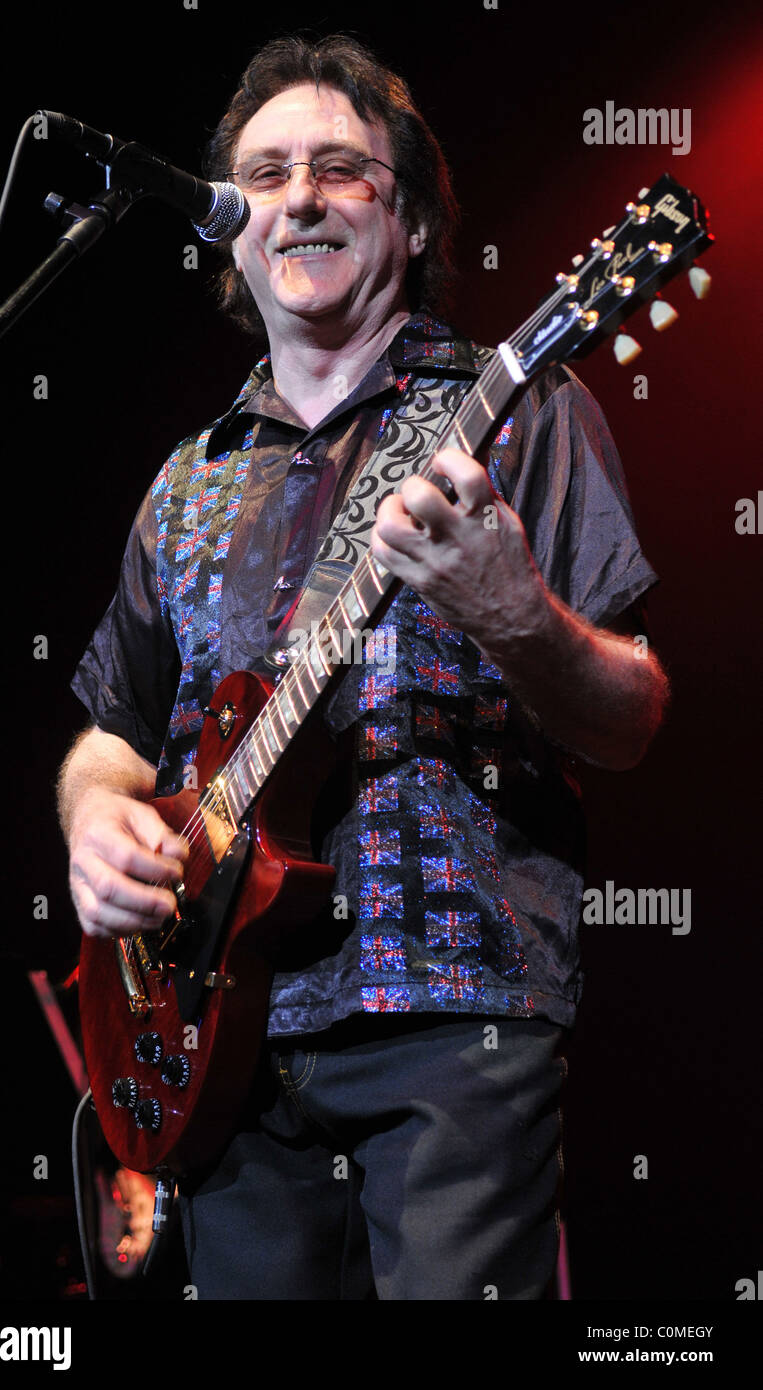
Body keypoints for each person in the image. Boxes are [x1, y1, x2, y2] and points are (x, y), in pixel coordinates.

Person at [57, 34, 668, 1300]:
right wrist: (97, 815)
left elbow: (632, 718)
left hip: (453, 1020)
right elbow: (112, 730)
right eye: (267, 173)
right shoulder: (189, 478)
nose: (301, 196)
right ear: (231, 231)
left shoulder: (523, 415)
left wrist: (516, 613)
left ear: (413, 218)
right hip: (219, 1040)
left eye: (343, 168)